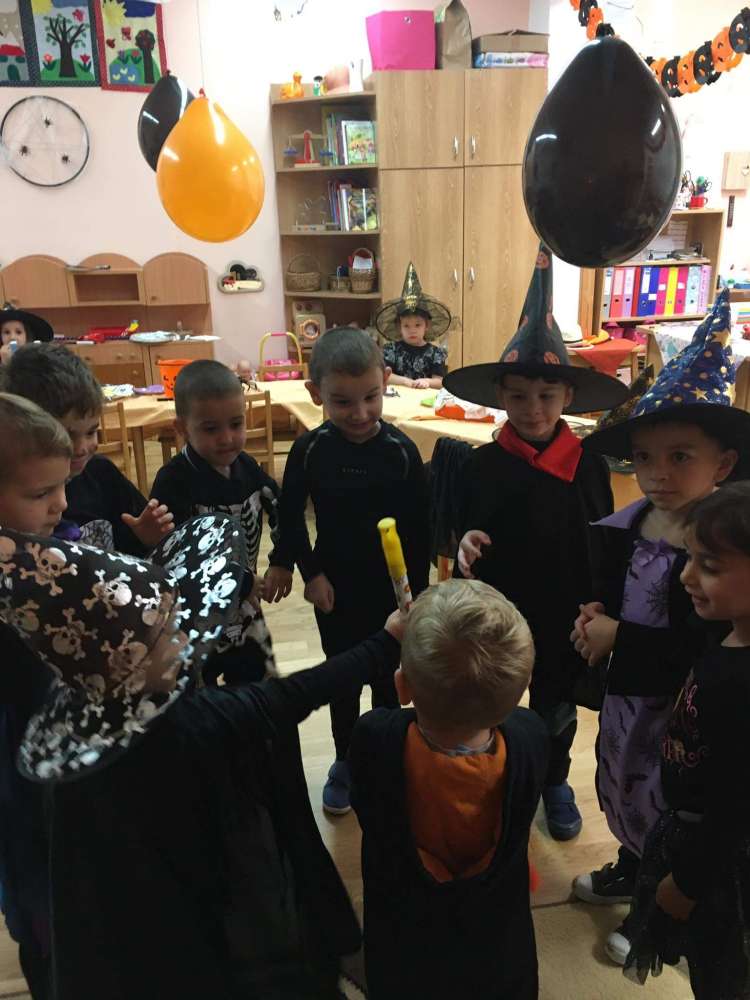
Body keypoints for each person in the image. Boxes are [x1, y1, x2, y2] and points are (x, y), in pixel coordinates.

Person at [0, 515, 404, 1000]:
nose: (182, 633)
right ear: (129, 668)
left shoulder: (77, 771)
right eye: (166, 631)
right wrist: (387, 643)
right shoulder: (195, 722)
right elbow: (293, 695)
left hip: (147, 949)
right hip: (219, 936)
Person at [571, 288, 749, 965]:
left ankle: (653, 900)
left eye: (681, 457)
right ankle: (629, 862)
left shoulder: (722, 549)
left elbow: (707, 641)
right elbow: (607, 585)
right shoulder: (633, 523)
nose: (657, 474)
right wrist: (596, 612)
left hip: (682, 706)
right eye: (645, 457)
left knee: (666, 801)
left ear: (722, 465)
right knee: (620, 777)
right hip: (628, 695)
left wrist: (621, 636)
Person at [444, 244, 628, 842]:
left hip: (563, 610)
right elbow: (462, 532)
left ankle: (552, 779)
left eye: (547, 395)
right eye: (519, 395)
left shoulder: (588, 466)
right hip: (499, 609)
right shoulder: (480, 466)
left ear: (568, 397)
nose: (532, 408)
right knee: (493, 697)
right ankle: (498, 776)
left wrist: (604, 603)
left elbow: (605, 539)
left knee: (554, 703)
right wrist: (463, 542)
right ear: (501, 396)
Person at [350, 579, 547, 999]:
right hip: (497, 953)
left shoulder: (375, 738)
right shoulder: (530, 737)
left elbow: (363, 803)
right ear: (523, 688)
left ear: (402, 687)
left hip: (404, 947)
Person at [276, 326, 430, 814]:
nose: (360, 413)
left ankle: (385, 760)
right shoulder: (310, 450)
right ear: (315, 393)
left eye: (371, 397)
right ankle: (344, 760)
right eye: (342, 402)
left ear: (386, 381)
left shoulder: (401, 451)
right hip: (335, 588)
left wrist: (417, 595)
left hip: (391, 592)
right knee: (342, 680)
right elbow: (288, 518)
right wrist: (310, 574)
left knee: (387, 682)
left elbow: (421, 528)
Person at [622, 482, 750, 1000]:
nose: (686, 575)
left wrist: (688, 882)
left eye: (709, 566)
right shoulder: (723, 631)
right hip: (688, 834)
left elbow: (735, 807)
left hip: (719, 864)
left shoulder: (742, 684)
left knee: (722, 974)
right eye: (690, 557)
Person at [151, 359, 292, 683]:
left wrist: (282, 561)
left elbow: (282, 508)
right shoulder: (173, 481)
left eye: (236, 424)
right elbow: (174, 556)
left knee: (261, 686)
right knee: (199, 694)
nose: (227, 438)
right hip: (192, 617)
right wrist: (241, 581)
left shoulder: (247, 467)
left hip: (246, 609)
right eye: (211, 429)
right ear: (181, 428)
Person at [0, 393, 73, 999]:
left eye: (63, 485)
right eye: (40, 493)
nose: (61, 504)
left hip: (58, 772)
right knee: (41, 915)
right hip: (17, 787)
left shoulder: (35, 556)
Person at [2, 342, 172, 555]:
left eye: (91, 432)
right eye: (67, 435)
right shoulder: (16, 492)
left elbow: (132, 549)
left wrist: (145, 538)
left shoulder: (101, 474)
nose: (81, 448)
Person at [375, 262, 451, 389]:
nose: (412, 330)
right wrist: (406, 381)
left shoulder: (435, 354)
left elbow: (440, 381)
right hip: (399, 398)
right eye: (406, 326)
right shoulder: (392, 350)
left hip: (425, 399)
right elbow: (385, 375)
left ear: (426, 325)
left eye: (417, 325)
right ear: (399, 327)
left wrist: (427, 382)